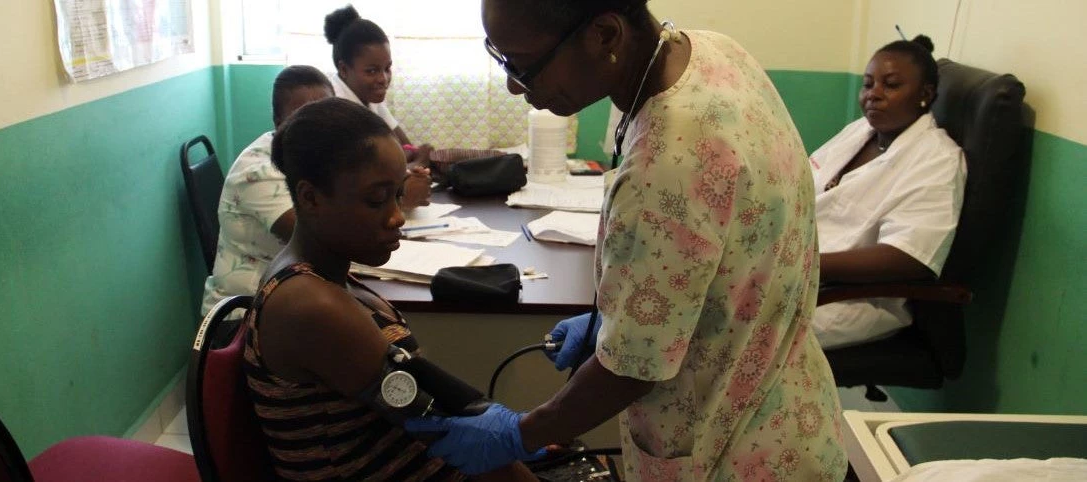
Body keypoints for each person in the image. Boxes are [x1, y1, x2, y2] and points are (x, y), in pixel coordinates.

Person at [405, 1, 847, 480]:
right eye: (501, 59)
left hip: (731, 453)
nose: (514, 85)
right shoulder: (716, 53)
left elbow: (632, 369)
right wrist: (627, 311)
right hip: (793, 415)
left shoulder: (667, 162)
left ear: (605, 36)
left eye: (522, 65)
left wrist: (523, 432)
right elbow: (736, 249)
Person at [241, 97, 537, 482]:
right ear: (311, 197)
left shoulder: (330, 276)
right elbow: (448, 425)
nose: (397, 216)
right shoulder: (310, 305)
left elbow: (441, 401)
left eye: (399, 194)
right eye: (376, 200)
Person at [200, 65, 431, 315]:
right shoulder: (257, 171)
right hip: (240, 314)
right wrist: (403, 196)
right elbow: (320, 229)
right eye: (305, 115)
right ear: (279, 123)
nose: (322, 128)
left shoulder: (330, 162)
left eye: (330, 114)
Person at [809, 35, 966, 349]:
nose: (873, 95)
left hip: (846, 300)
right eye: (868, 84)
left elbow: (909, 259)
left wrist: (804, 265)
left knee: (723, 334)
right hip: (796, 274)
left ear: (926, 94)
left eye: (890, 86)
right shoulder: (859, 131)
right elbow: (802, 184)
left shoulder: (937, 160)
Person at [323, 5, 435, 166]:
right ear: (344, 69)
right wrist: (420, 162)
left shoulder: (369, 94)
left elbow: (403, 145)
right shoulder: (337, 109)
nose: (383, 78)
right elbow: (376, 175)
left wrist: (412, 153)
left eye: (387, 68)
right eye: (372, 71)